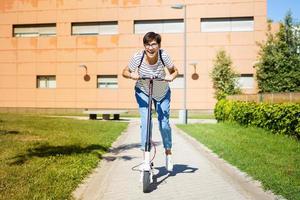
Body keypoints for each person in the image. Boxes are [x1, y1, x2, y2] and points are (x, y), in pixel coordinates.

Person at [122, 32, 178, 171]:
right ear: (144, 46)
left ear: (159, 45)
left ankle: (168, 153)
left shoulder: (164, 55)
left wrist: (171, 76)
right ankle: (146, 158)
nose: (150, 47)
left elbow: (175, 71)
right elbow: (125, 71)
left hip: (161, 90)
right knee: (146, 121)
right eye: (147, 44)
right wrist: (131, 75)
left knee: (164, 123)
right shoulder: (138, 56)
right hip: (143, 90)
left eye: (153, 44)